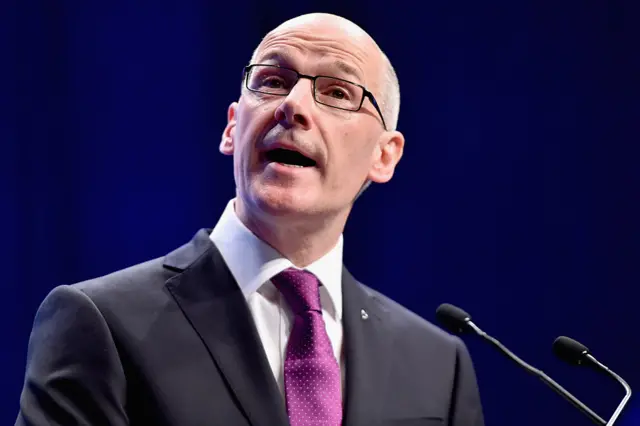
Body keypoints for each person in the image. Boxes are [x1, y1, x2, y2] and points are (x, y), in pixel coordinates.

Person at [16, 12, 484, 426]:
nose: (293, 105)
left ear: (384, 156)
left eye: (338, 92)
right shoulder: (102, 323)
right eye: (273, 81)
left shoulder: (438, 367)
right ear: (232, 127)